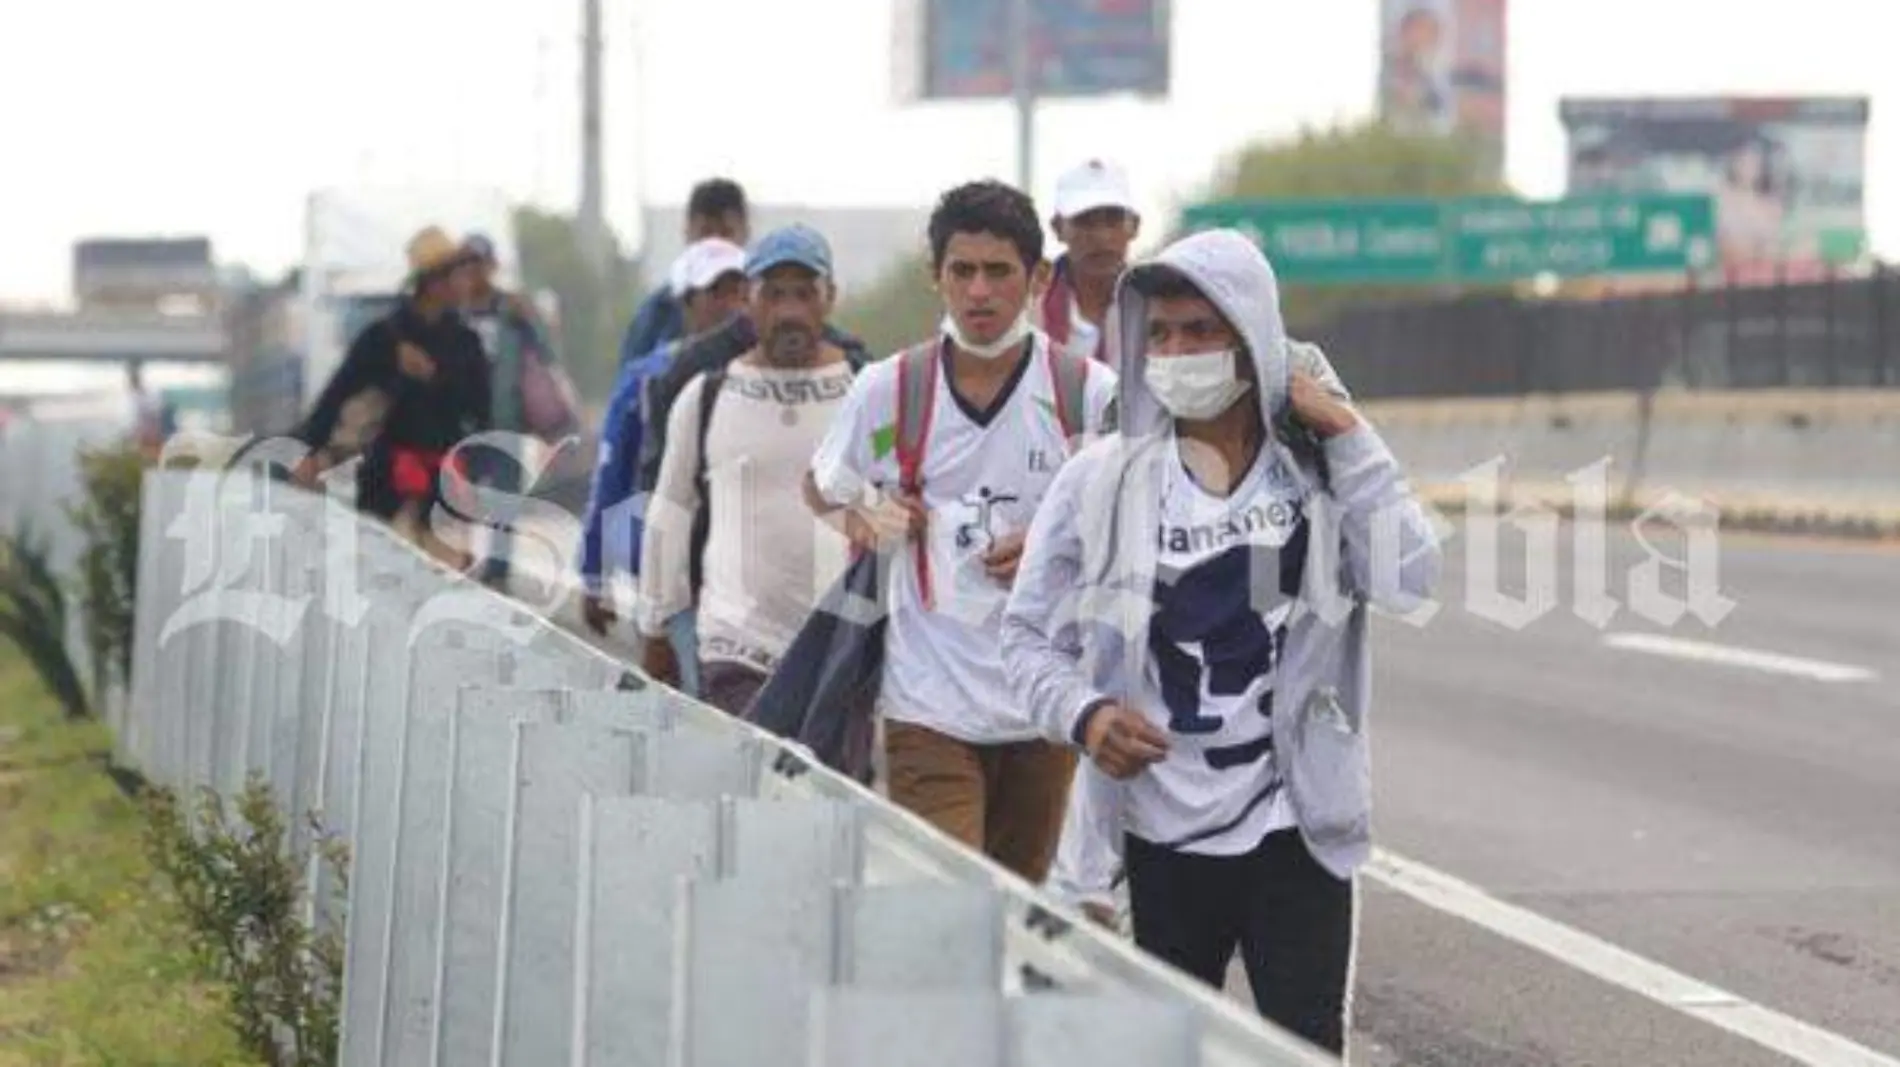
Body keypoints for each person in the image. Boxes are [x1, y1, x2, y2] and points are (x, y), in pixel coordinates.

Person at [1000, 228, 1440, 1056]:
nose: (1176, 352)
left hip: (1295, 828)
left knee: (1304, 1049)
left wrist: (1349, 435)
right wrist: (1085, 714)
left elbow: (1410, 578)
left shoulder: (1316, 469)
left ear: (1250, 337)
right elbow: (1024, 636)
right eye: (1160, 333)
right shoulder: (1102, 478)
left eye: (1200, 331)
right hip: (1159, 836)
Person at [803, 180, 1116, 882]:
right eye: (962, 271)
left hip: (1044, 705)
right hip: (927, 704)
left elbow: (1134, 522)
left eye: (999, 271)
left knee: (1018, 911)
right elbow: (823, 482)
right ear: (936, 277)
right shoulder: (890, 388)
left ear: (1037, 277)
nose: (979, 292)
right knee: (945, 901)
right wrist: (869, 518)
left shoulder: (1086, 394)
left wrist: (1051, 545)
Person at [636, 226, 855, 714]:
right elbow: (670, 511)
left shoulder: (867, 395)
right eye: (774, 294)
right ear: (747, 300)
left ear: (830, 298)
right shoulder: (705, 397)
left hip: (840, 651)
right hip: (735, 648)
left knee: (837, 791)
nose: (790, 311)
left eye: (804, 293)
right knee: (755, 786)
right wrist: (656, 626)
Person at [578, 237, 750, 657]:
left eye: (740, 290)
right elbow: (613, 476)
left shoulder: (775, 376)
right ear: (687, 303)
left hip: (750, 579)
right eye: (717, 292)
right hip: (673, 577)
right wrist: (595, 572)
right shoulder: (648, 377)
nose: (731, 304)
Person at [294, 226, 491, 568]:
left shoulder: (466, 343)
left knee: (447, 594)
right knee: (385, 581)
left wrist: (436, 378)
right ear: (434, 282)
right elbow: (339, 393)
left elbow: (480, 409)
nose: (466, 283)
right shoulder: (383, 338)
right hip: (387, 480)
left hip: (445, 486)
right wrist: (309, 450)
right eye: (458, 274)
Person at [460, 232, 558, 589]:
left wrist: (532, 318)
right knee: (456, 499)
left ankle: (497, 574)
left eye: (479, 263)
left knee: (504, 503)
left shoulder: (511, 310)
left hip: (506, 419)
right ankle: (459, 562)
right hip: (460, 424)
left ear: (492, 266)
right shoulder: (453, 312)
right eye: (466, 264)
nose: (473, 272)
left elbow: (546, 354)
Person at [617, 178, 750, 367]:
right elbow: (630, 383)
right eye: (706, 233)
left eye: (726, 233)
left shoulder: (764, 305)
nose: (714, 244)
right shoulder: (658, 314)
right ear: (687, 232)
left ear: (745, 232)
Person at [1038, 159, 1141, 367]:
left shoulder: (1154, 310)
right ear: (1057, 228)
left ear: (1134, 227)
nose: (1101, 236)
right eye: (1085, 221)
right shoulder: (1029, 313)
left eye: (1113, 220)